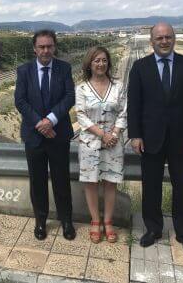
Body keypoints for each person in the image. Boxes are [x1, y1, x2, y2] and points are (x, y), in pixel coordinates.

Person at [127, 22, 183, 257]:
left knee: (182, 187)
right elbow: (134, 104)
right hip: (149, 138)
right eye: (159, 38)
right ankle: (153, 230)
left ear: (174, 39)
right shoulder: (140, 67)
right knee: (150, 187)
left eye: (168, 37)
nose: (164, 41)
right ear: (151, 41)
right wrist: (135, 134)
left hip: (182, 138)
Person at [14, 29, 76, 241]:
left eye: (49, 46)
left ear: (54, 46)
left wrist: (50, 120)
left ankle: (66, 220)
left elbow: (69, 98)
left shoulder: (64, 68)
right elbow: (20, 101)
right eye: (41, 47)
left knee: (62, 180)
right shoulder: (23, 71)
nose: (46, 50)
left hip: (58, 134)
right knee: (37, 181)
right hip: (34, 136)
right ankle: (40, 221)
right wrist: (40, 123)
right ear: (34, 48)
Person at [75, 46, 127, 244]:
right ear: (90, 63)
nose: (101, 64)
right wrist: (102, 135)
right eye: (97, 60)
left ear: (109, 63)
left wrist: (113, 134)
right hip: (90, 143)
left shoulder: (118, 86)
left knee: (110, 182)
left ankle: (108, 222)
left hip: (114, 143)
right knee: (91, 182)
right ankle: (95, 221)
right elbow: (81, 115)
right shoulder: (81, 88)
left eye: (104, 60)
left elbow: (123, 112)